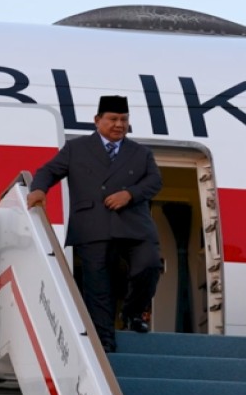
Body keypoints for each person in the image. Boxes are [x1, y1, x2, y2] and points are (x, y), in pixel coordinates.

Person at [27, 95, 163, 352]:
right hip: (93, 224)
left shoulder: (141, 153)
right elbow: (48, 171)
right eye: (113, 119)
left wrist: (130, 194)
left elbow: (154, 182)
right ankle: (104, 343)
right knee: (98, 288)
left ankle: (133, 313)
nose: (119, 124)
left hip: (133, 223)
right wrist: (39, 190)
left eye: (124, 119)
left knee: (149, 265)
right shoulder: (76, 148)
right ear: (97, 120)